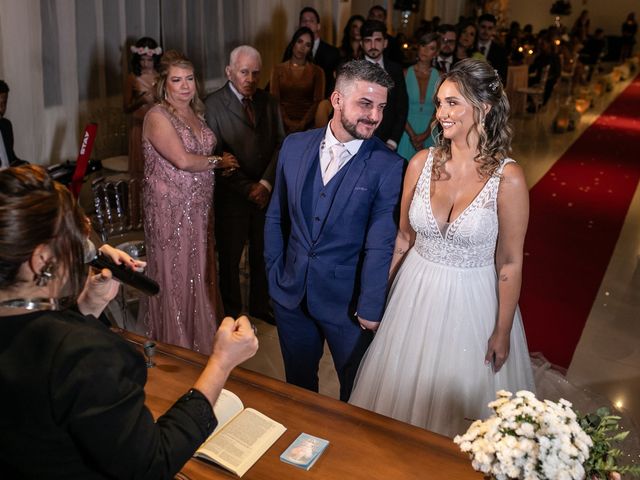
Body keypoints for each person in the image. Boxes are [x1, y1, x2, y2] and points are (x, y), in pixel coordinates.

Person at [0, 165, 258, 478]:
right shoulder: (82, 353)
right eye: (73, 240)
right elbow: (151, 463)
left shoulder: (50, 337)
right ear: (42, 260)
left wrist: (87, 307)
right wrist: (220, 363)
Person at [349, 58, 535, 438]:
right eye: (439, 103)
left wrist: (502, 330)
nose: (440, 114)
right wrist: (376, 296)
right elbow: (404, 238)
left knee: (462, 416)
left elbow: (511, 263)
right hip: (413, 297)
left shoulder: (509, 179)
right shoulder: (420, 163)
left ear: (482, 108)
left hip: (474, 302)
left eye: (452, 103)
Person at [264, 60, 404, 401]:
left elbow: (380, 243)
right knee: (298, 391)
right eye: (365, 104)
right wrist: (274, 275)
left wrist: (370, 307)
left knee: (355, 395)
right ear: (337, 100)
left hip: (349, 306)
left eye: (381, 107)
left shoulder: (389, 167)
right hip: (291, 295)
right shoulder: (294, 147)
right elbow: (274, 217)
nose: (374, 117)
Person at [140, 50, 238, 354]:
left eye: (190, 79)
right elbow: (182, 160)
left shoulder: (196, 113)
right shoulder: (157, 115)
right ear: (163, 84)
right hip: (171, 212)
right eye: (177, 80)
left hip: (198, 210)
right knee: (176, 276)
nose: (185, 86)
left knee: (199, 272)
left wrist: (220, 164)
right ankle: (177, 346)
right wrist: (218, 161)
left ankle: (201, 340)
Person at [205, 46, 285, 324]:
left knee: (264, 253)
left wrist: (265, 184)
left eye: (255, 73)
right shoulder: (212, 104)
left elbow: (280, 144)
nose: (250, 78)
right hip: (232, 194)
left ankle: (260, 305)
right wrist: (247, 188)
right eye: (243, 72)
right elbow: (215, 154)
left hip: (265, 192)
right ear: (229, 72)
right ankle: (232, 311)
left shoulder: (269, 101)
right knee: (229, 258)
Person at [360, 20, 408, 152]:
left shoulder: (395, 70)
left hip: (387, 142)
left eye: (378, 40)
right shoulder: (351, 69)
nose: (373, 45)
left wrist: (393, 141)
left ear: (385, 43)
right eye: (368, 40)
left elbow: (401, 107)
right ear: (361, 44)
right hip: (356, 140)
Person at [271, 27, 325, 134]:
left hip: (309, 126)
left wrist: (303, 123)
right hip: (281, 125)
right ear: (293, 42)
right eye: (300, 42)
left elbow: (317, 103)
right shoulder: (278, 69)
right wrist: (287, 122)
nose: (302, 47)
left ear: (310, 49)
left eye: (307, 45)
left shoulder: (317, 72)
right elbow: (275, 100)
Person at [123, 37, 162, 182]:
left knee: (158, 168)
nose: (146, 63)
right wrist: (141, 100)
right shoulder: (132, 78)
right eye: (142, 60)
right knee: (141, 170)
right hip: (139, 127)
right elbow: (126, 108)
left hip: (158, 126)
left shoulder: (161, 77)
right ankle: (140, 203)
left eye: (149, 60)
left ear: (155, 60)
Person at [397, 32, 440, 160]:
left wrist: (425, 134)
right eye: (423, 45)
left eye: (431, 48)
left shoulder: (441, 77)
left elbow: (439, 110)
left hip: (430, 133)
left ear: (436, 53)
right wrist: (412, 135)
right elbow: (399, 108)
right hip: (406, 131)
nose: (425, 51)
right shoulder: (404, 74)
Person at [299, 6, 340, 98]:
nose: (307, 23)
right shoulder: (293, 49)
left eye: (311, 20)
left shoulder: (332, 52)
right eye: (304, 21)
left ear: (318, 26)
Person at [0, 80, 27, 168]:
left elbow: (10, 159)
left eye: (4, 103)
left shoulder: (6, 125)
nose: (1, 109)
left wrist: (27, 166)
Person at [476, 13, 508, 84]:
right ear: (478, 27)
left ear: (494, 29)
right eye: (483, 27)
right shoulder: (470, 46)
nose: (486, 31)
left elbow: (502, 76)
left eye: (490, 28)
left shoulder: (501, 51)